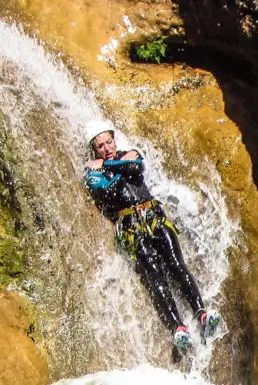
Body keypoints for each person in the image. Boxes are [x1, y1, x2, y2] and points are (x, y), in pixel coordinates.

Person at [83, 120, 220, 352]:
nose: (107, 148)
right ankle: (178, 328)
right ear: (94, 150)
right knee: (155, 277)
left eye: (109, 142)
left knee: (176, 264)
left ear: (115, 140)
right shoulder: (94, 172)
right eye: (100, 147)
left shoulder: (129, 154)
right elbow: (105, 192)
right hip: (130, 226)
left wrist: (107, 167)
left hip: (154, 216)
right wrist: (116, 167)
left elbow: (135, 168)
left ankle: (202, 314)